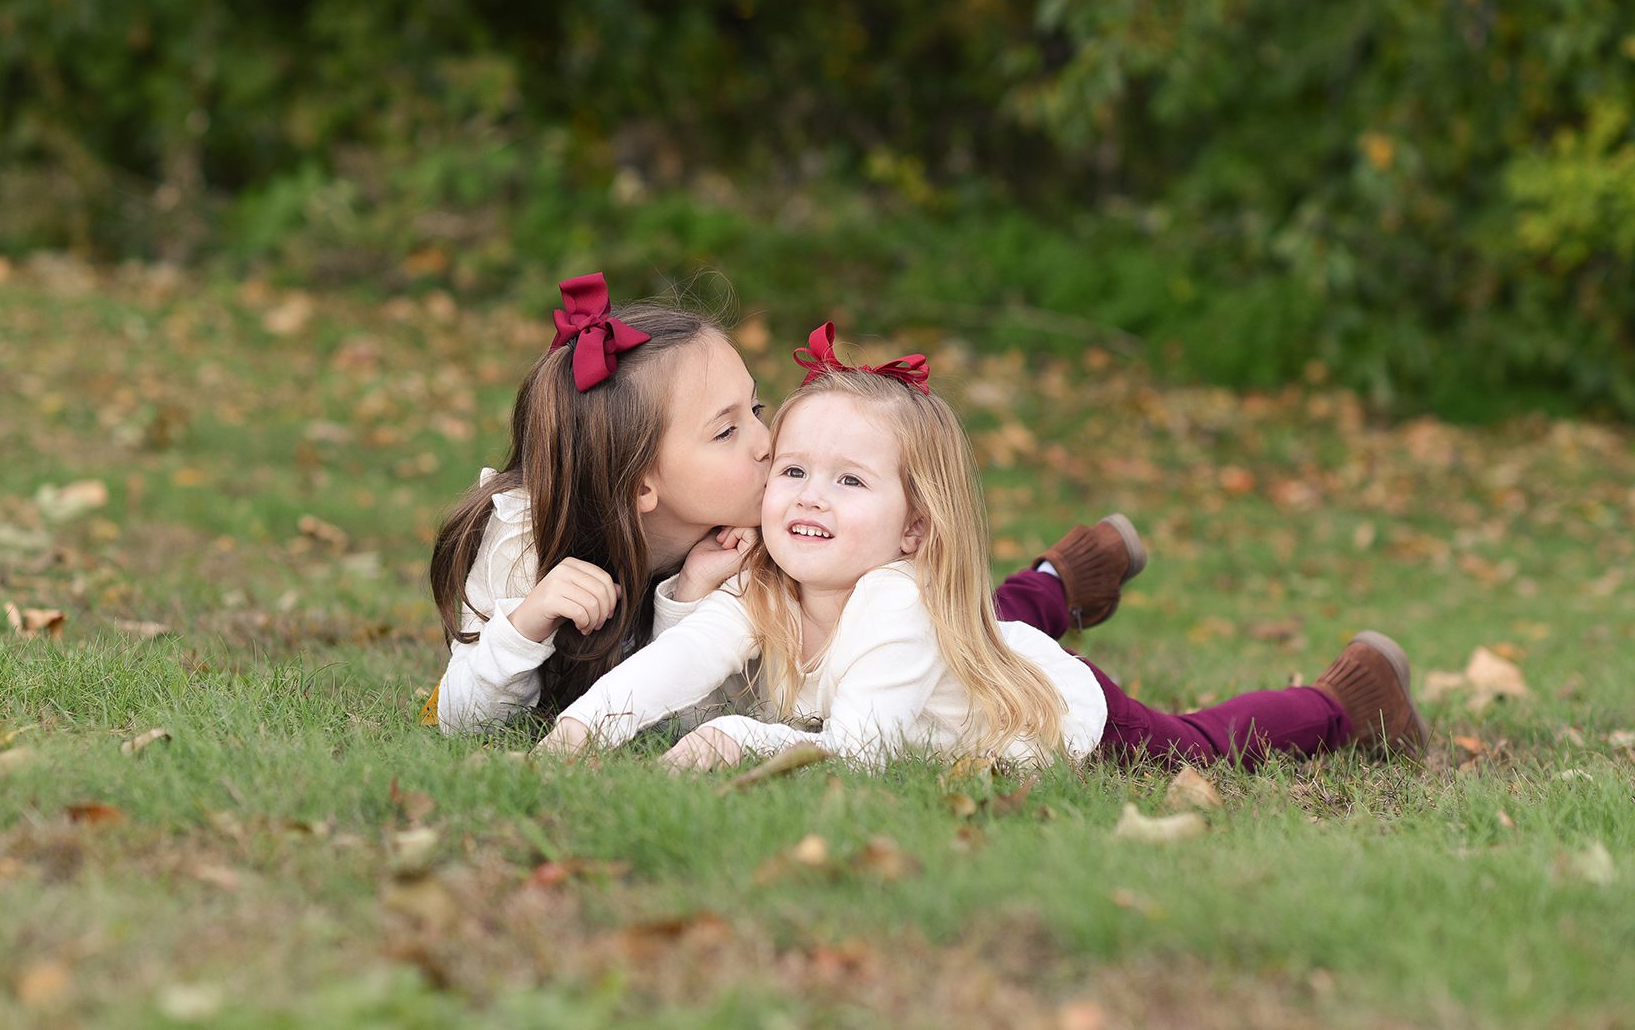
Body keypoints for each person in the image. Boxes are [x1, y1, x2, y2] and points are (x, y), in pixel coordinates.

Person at [539, 324, 1429, 771]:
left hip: (1043, 707)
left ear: (913, 527)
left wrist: (739, 736)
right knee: (982, 614)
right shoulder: (758, 588)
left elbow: (863, 751)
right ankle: (1068, 577)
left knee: (1192, 744)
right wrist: (575, 734)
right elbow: (674, 666)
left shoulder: (895, 602)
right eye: (796, 469)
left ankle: (1349, 700)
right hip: (970, 643)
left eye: (851, 482)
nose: (811, 495)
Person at [426, 273, 771, 730]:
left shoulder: (751, 543)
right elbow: (459, 722)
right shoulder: (527, 539)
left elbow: (678, 728)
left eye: (757, 409)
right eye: (726, 431)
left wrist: (686, 599)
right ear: (640, 485)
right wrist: (527, 624)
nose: (766, 441)